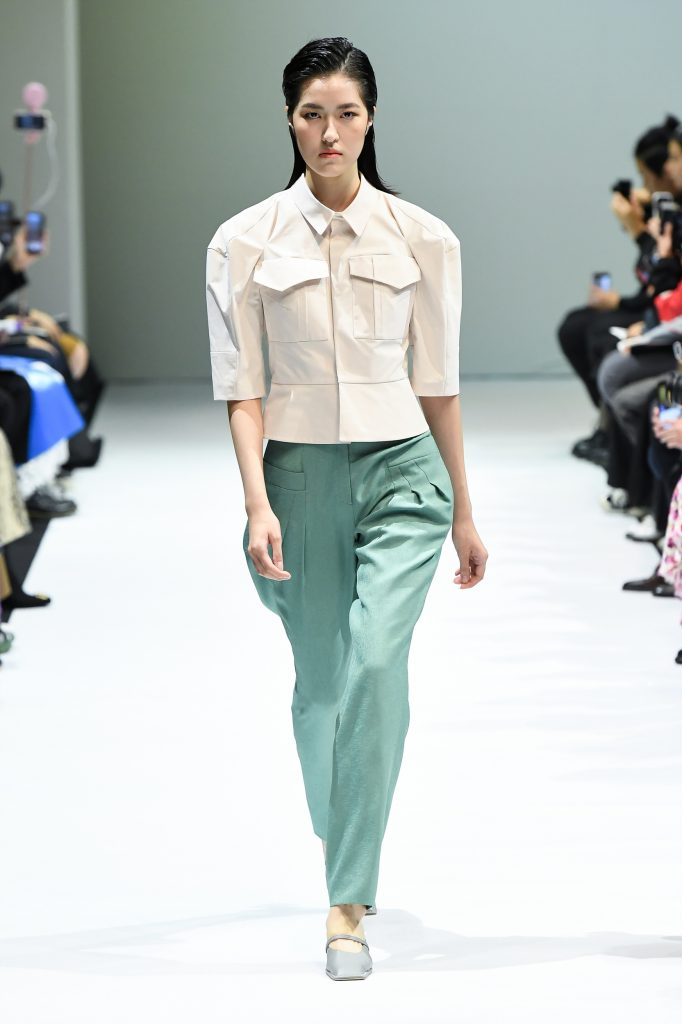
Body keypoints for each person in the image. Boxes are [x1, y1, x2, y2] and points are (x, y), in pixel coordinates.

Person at [205, 36, 488, 982]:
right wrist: (256, 502)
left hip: (403, 472)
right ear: (289, 120)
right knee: (322, 687)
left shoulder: (423, 237)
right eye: (312, 114)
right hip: (295, 478)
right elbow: (242, 389)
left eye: (347, 114)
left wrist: (463, 510)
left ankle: (346, 904)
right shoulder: (242, 241)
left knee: (375, 661)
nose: (330, 132)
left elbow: (438, 384)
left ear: (371, 119)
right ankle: (347, 836)